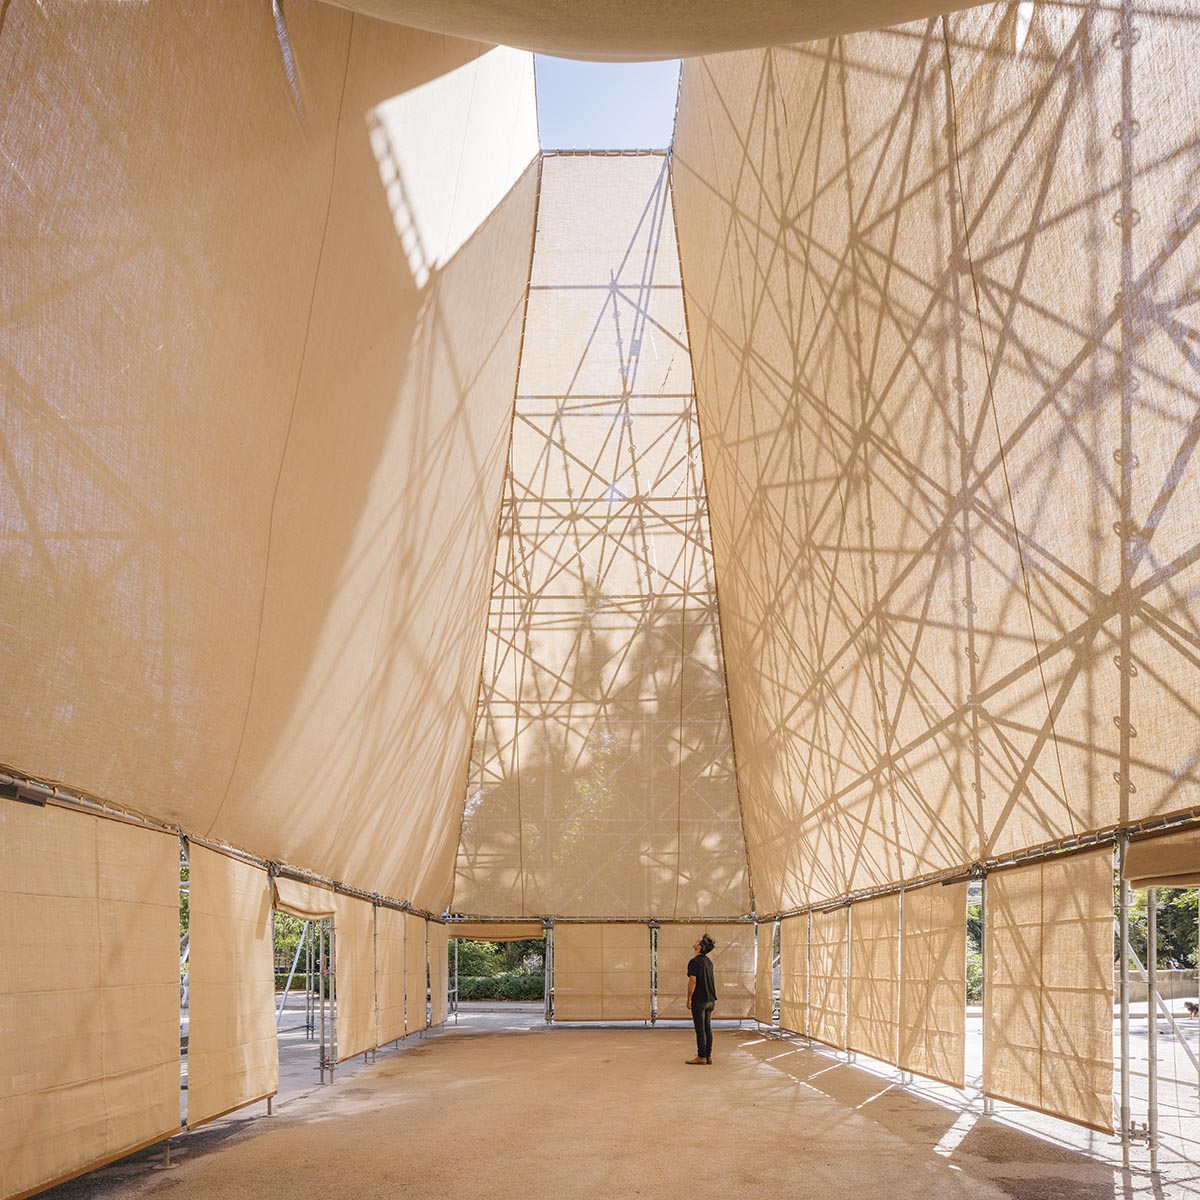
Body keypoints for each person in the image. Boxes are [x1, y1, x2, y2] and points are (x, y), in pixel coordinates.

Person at [685, 933, 717, 1065]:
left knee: (700, 1029)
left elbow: (693, 980)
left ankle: (701, 1056)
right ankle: (708, 1055)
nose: (695, 942)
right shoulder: (708, 962)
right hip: (711, 999)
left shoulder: (694, 962)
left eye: (697, 941)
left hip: (700, 999)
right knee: (707, 1028)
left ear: (699, 947)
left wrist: (689, 999)